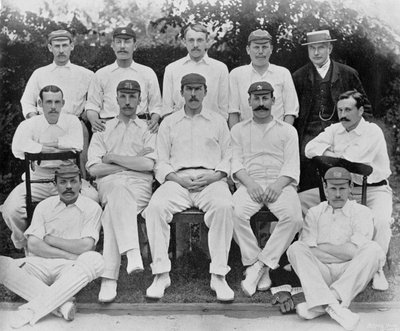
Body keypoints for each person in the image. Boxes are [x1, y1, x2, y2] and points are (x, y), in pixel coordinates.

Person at [142, 73, 234, 302]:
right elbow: (160, 160)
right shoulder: (169, 122)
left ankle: (219, 275)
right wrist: (176, 178)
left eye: (198, 89)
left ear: (205, 91)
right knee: (155, 208)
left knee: (224, 206)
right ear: (181, 92)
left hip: (211, 180)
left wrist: (216, 176)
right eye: (188, 89)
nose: (193, 94)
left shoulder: (218, 121)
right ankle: (161, 274)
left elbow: (230, 155)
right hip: (178, 181)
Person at [304, 90, 392, 291]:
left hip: (373, 190)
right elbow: (310, 148)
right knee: (299, 202)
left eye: (348, 110)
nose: (343, 114)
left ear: (361, 110)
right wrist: (334, 155)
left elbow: (353, 161)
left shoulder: (372, 131)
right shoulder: (335, 129)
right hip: (343, 189)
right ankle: (309, 261)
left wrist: (328, 155)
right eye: (340, 109)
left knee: (380, 221)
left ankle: (377, 269)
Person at [0, 164, 104, 328]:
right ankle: (62, 305)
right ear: (55, 185)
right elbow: (33, 244)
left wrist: (50, 239)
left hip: (70, 269)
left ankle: (31, 310)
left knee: (96, 259)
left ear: (80, 184)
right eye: (63, 182)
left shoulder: (92, 208)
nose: (68, 186)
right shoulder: (44, 206)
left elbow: (86, 246)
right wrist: (69, 254)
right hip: (41, 264)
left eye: (73, 181)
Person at [287, 167, 385, 331]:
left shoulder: (362, 212)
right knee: (295, 248)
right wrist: (343, 252)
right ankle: (335, 305)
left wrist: (323, 247)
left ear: (350, 188)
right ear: (325, 189)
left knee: (373, 250)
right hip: (321, 272)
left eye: (342, 188)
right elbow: (308, 250)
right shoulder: (314, 213)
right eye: (333, 188)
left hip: (350, 272)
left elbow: (354, 252)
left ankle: (323, 304)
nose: (338, 194)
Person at [1, 85, 98, 250]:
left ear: (63, 103)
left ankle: (79, 243)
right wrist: (50, 148)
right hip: (37, 179)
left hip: (68, 177)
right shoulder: (29, 124)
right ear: (40, 103)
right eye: (48, 102)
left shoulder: (72, 121)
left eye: (57, 102)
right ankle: (26, 243)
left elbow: (75, 143)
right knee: (11, 209)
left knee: (93, 198)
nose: (53, 107)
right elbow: (18, 147)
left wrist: (39, 146)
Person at [231, 81, 302, 297]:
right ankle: (255, 262)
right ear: (249, 101)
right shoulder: (238, 130)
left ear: (273, 100)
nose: (261, 103)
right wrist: (250, 183)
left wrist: (278, 184)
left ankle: (260, 265)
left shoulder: (288, 131)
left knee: (294, 217)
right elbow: (235, 162)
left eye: (265, 98)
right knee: (233, 213)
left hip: (279, 183)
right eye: (256, 99)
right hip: (249, 182)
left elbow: (291, 164)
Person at [87, 80, 156, 303]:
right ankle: (132, 252)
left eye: (132, 96)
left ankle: (109, 279)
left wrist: (114, 157)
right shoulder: (102, 129)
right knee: (118, 189)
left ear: (140, 100)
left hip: (139, 186)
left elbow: (148, 165)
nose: (127, 102)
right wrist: (133, 162)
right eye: (123, 96)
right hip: (108, 184)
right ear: (115, 99)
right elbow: (94, 168)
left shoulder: (149, 129)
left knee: (111, 212)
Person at [293, 30, 372, 193]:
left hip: (341, 134)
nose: (316, 52)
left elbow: (366, 110)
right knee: (311, 190)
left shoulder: (347, 74)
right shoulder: (298, 77)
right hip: (309, 137)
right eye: (311, 48)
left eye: (320, 47)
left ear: (329, 48)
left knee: (343, 183)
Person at [20, 29, 94, 177]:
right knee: (43, 166)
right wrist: (35, 120)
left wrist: (86, 115)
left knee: (80, 169)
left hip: (74, 126)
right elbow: (27, 101)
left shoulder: (86, 74)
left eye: (65, 45)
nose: (61, 50)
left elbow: (94, 102)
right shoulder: (39, 73)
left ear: (72, 46)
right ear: (50, 47)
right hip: (45, 125)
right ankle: (38, 188)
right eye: (57, 46)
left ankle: (83, 186)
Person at [86, 26, 162, 133]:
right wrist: (94, 121)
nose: (122, 46)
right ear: (113, 45)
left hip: (140, 127)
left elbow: (156, 106)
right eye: (118, 42)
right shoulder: (101, 74)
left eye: (127, 42)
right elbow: (92, 105)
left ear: (135, 46)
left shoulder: (147, 73)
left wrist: (153, 122)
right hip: (109, 127)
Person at [228, 29, 299, 128]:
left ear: (271, 49)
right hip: (246, 136)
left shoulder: (283, 73)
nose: (260, 52)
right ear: (248, 49)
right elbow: (233, 112)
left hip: (277, 134)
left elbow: (290, 112)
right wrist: (236, 139)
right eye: (256, 47)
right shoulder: (236, 74)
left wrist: (282, 135)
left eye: (265, 47)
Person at [162, 23, 229, 120]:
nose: (195, 45)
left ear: (207, 41)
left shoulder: (220, 68)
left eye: (200, 40)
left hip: (211, 128)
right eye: (191, 40)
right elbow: (167, 109)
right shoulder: (172, 69)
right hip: (179, 129)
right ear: (184, 42)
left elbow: (223, 109)